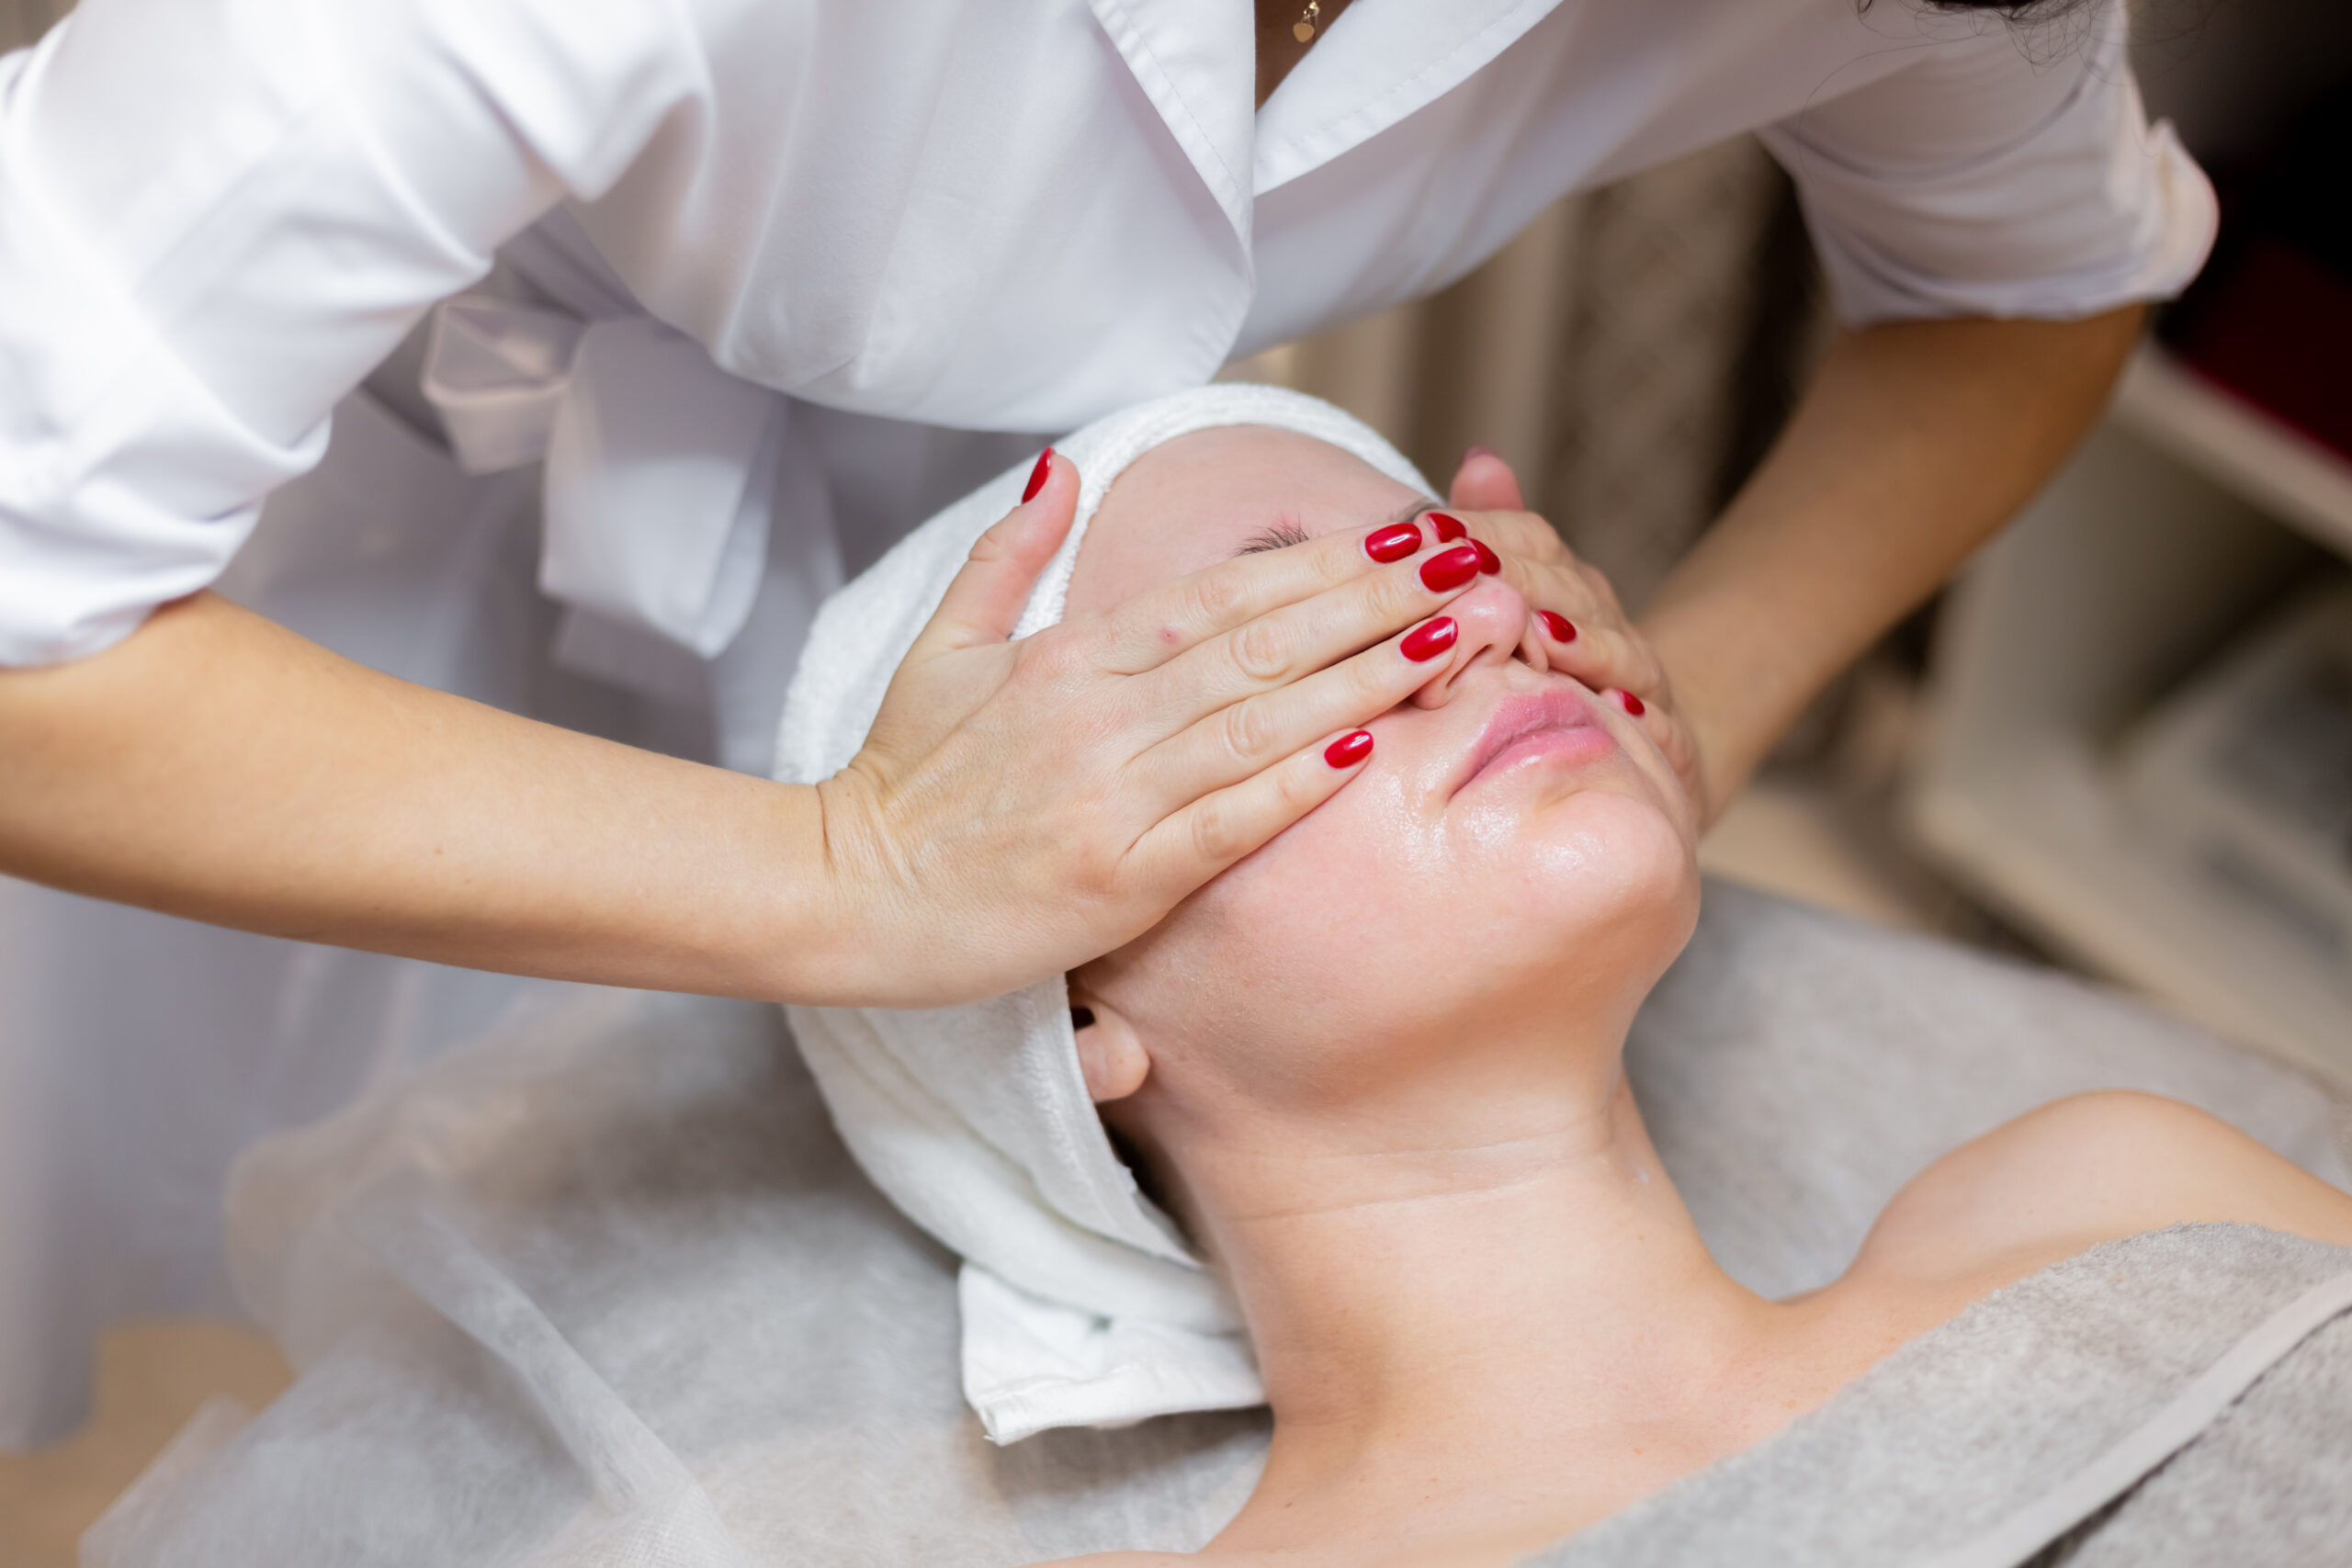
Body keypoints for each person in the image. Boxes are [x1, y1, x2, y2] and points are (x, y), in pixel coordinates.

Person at [0, 0, 2211, 1440]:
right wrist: (852, 874)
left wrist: (1676, 707)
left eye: (1405, 579)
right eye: (1284, 629)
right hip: (292, 589)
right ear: (1077, 1040)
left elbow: (2039, 268)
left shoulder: (2127, 1187)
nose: (1457, 633)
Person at [1029, 422, 2352, 1565]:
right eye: (1287, 638)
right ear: (1071, 1011)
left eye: (1461, 563)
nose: (1486, 621)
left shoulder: (2106, 1196)